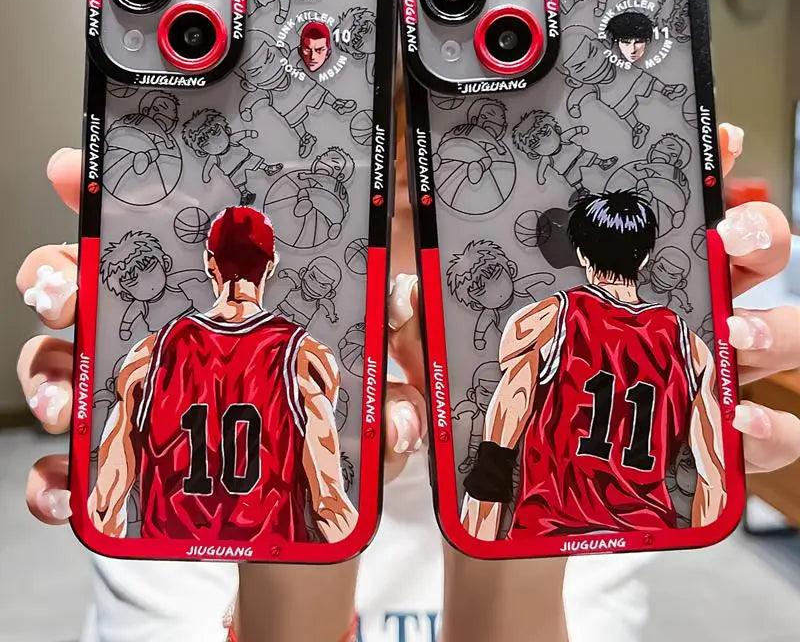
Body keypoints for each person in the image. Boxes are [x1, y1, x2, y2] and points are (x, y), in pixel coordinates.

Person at [16, 119, 800, 642]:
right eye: (391, 208)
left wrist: (483, 508)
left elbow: (507, 410)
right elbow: (329, 468)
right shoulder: (302, 358)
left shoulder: (155, 359)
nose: (428, 250)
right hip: (593, 490)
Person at [462, 190, 724, 539]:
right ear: (645, 258)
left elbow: (495, 456)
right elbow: (714, 476)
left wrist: (476, 544)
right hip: (645, 535)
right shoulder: (690, 348)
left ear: (582, 254)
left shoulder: (543, 322)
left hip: (549, 532)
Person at [90, 206, 356, 544]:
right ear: (271, 264)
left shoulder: (151, 354)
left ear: (208, 262)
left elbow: (106, 505)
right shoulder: (305, 357)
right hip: (271, 556)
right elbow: (329, 505)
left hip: (172, 560)